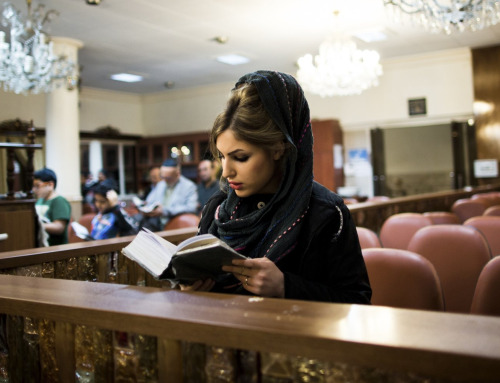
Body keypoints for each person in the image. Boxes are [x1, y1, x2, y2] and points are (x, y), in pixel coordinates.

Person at [183, 70, 371, 304]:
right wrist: (194, 289)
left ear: (278, 148)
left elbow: (357, 301)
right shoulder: (217, 208)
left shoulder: (325, 212)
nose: (227, 171)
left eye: (240, 157)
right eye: (221, 157)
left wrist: (286, 286)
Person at [140, 158, 198, 231]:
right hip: (157, 223)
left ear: (177, 173)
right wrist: (146, 206)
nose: (165, 180)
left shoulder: (189, 186)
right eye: (163, 177)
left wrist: (165, 211)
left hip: (176, 225)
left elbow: (191, 208)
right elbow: (150, 200)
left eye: (168, 177)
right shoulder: (161, 184)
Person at [33, 168, 72, 246]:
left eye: (37, 186)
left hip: (55, 247)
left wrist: (38, 226)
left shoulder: (59, 201)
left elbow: (59, 227)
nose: (34, 190)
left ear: (50, 185)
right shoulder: (40, 201)